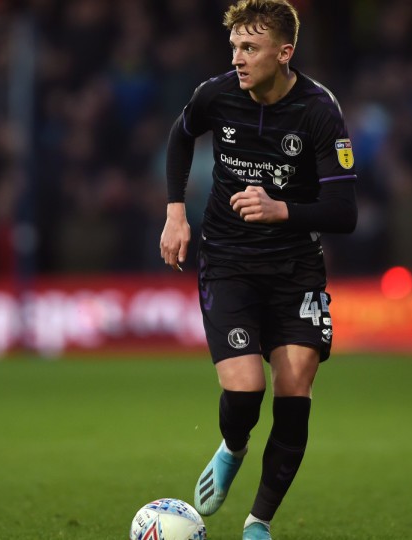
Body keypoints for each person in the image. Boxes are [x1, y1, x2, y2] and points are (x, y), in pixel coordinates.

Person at [158, 1, 358, 538]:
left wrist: (280, 209)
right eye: (234, 47)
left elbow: (344, 213)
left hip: (295, 271)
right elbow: (180, 136)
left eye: (250, 48)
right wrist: (176, 213)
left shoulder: (319, 110)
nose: (237, 58)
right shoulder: (216, 95)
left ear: (284, 53)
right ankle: (233, 447)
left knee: (294, 390)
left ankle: (257, 524)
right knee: (246, 391)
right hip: (229, 262)